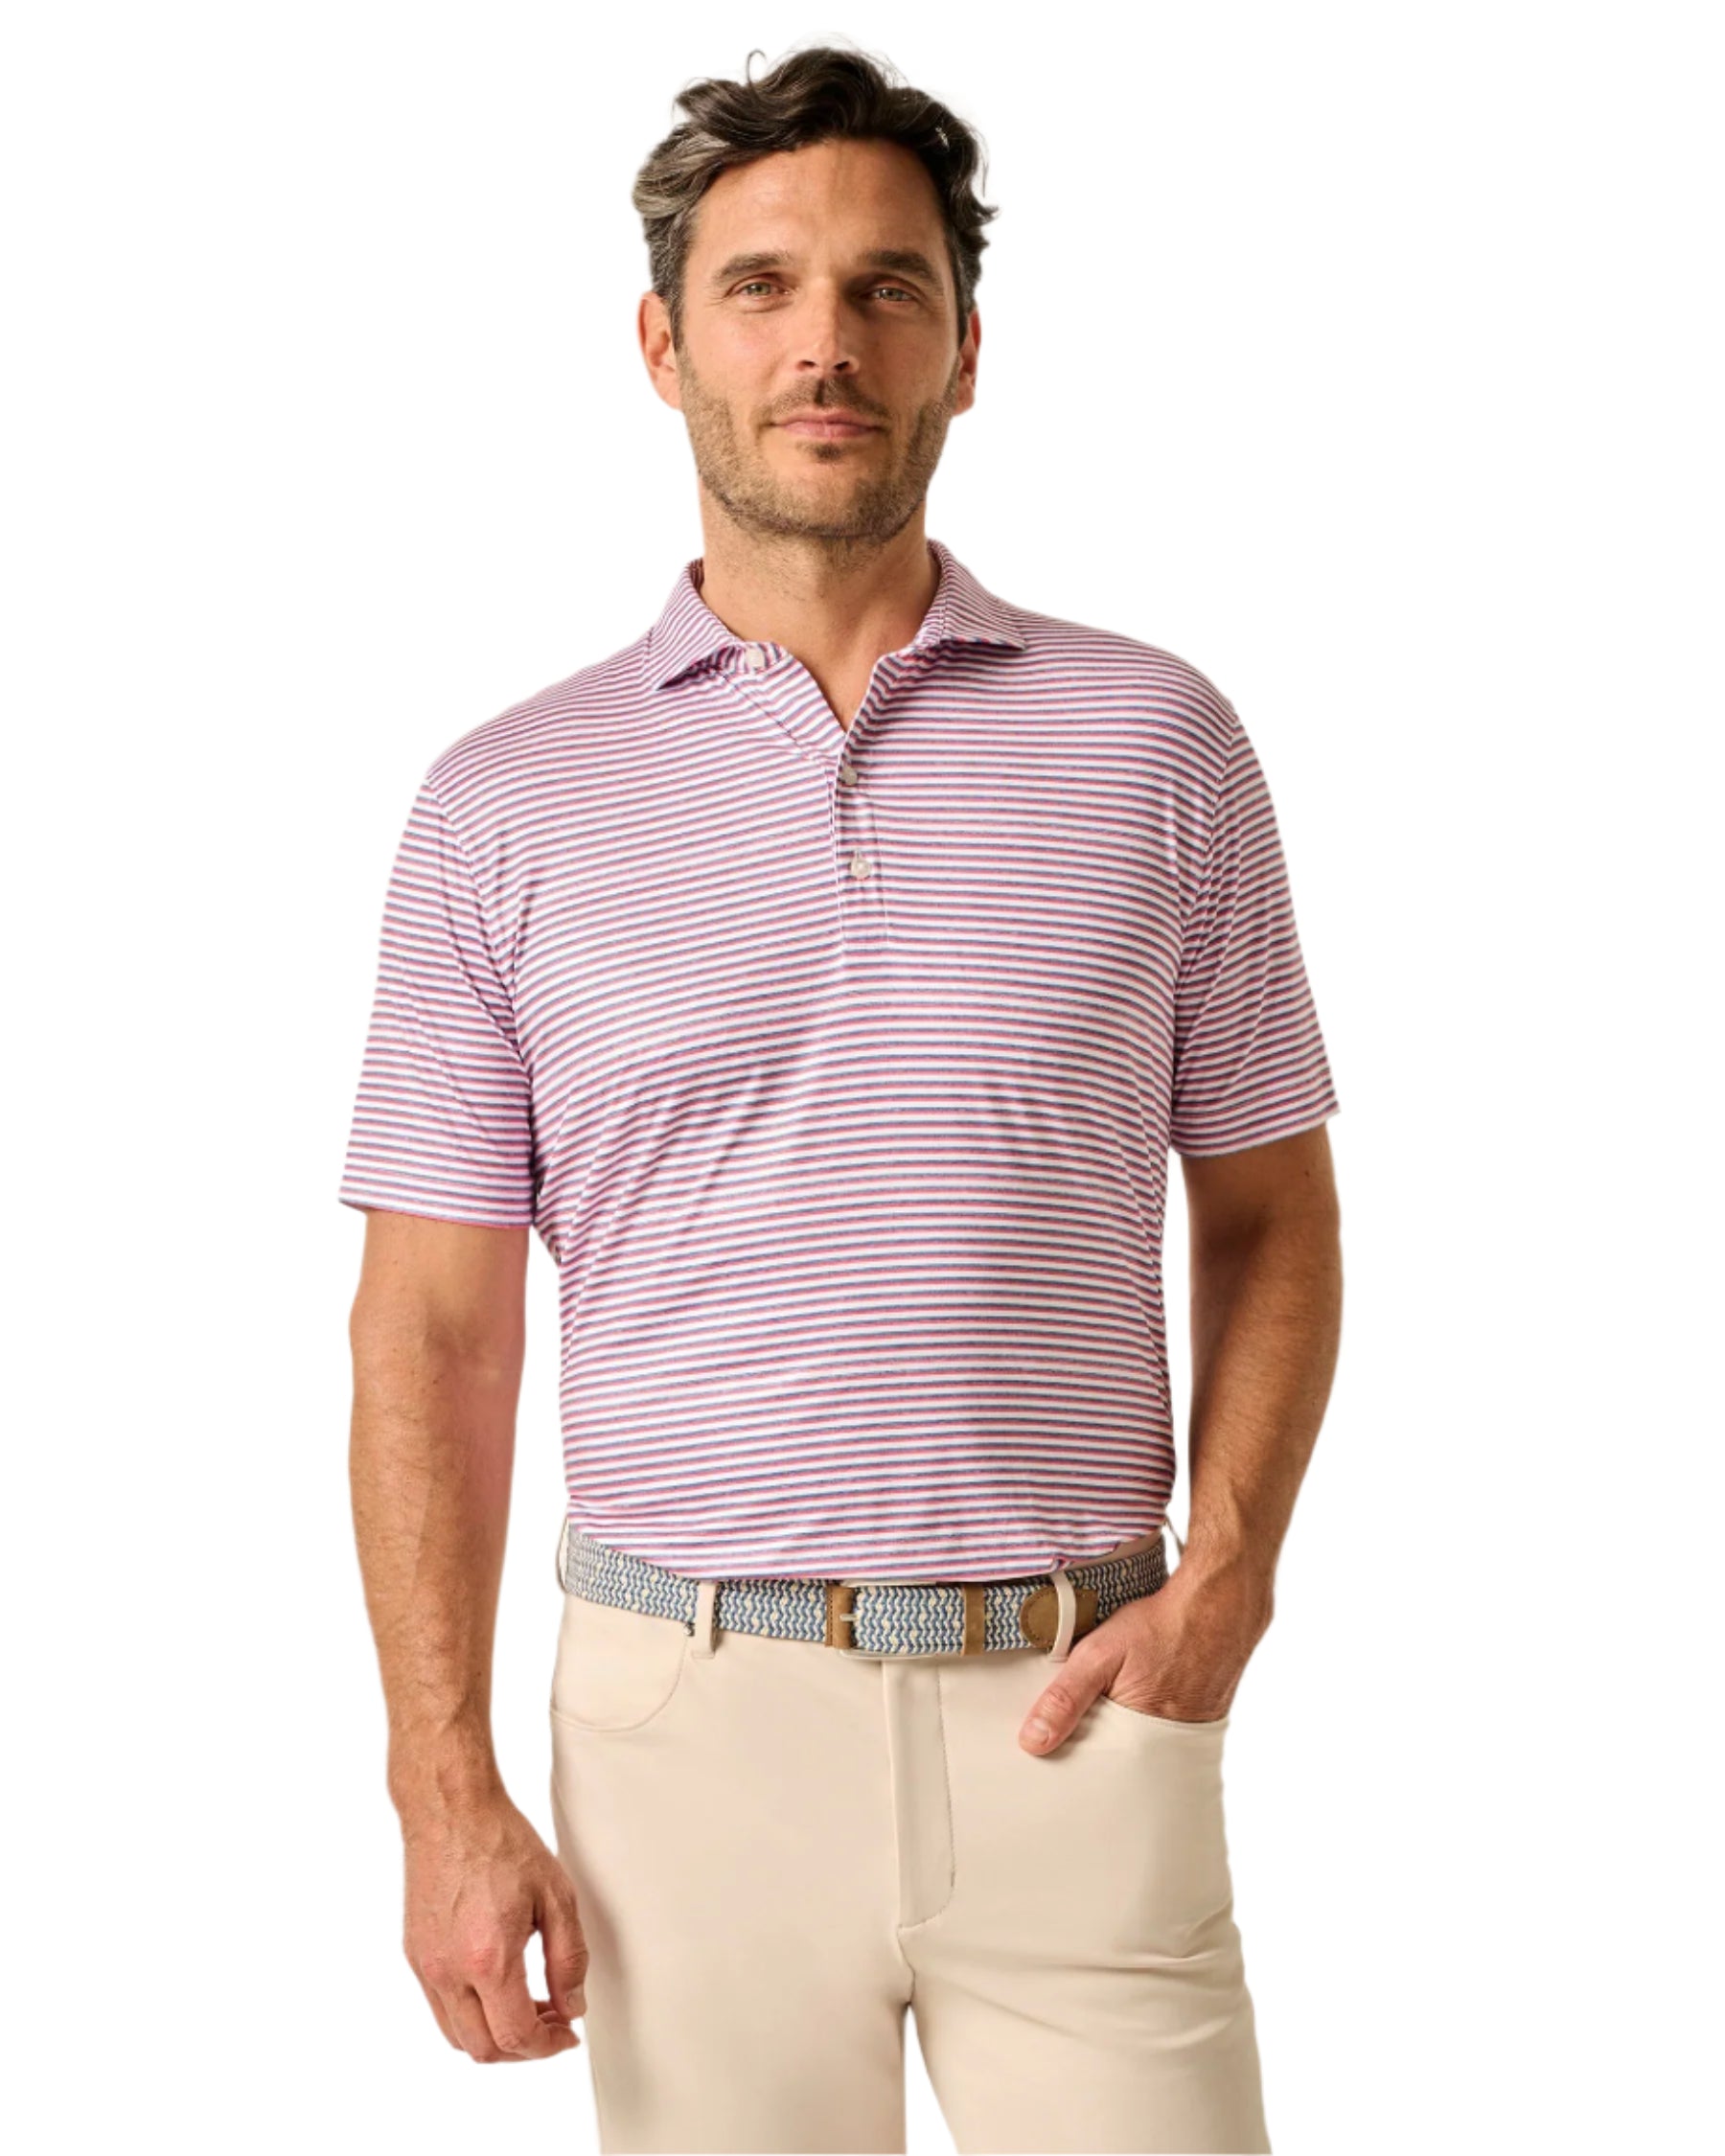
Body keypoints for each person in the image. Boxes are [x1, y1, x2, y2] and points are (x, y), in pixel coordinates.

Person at [338, 40, 1343, 2156]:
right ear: (663, 346)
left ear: (965, 352)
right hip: (682, 1744)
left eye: (891, 288)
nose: (828, 341)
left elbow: (1269, 1207)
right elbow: (432, 1328)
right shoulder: (503, 806)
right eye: (764, 286)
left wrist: (1233, 1573)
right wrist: (442, 1784)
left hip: (1085, 1714)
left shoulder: (1159, 744)